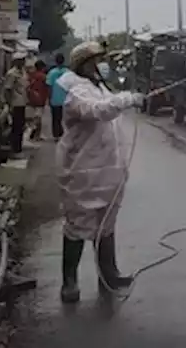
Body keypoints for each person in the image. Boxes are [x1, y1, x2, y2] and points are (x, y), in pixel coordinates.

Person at [56, 41, 144, 303]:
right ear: (83, 65)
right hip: (84, 171)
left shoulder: (99, 88)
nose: (101, 65)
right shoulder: (76, 93)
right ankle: (69, 281)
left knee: (107, 224)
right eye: (96, 61)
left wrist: (127, 97)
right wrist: (127, 99)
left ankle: (110, 272)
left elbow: (109, 105)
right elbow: (98, 111)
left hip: (109, 170)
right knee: (78, 226)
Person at [3, 53, 29, 153]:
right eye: (21, 60)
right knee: (16, 126)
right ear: (16, 61)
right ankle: (15, 147)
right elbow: (7, 90)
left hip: (22, 102)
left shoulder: (23, 72)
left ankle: (19, 146)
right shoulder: (11, 73)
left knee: (21, 125)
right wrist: (9, 104)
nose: (23, 61)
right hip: (15, 103)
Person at [46, 53, 69, 140]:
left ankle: (57, 135)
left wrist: (49, 98)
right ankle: (66, 134)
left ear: (55, 61)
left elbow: (49, 86)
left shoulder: (52, 73)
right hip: (67, 100)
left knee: (56, 118)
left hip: (55, 100)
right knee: (67, 119)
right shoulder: (68, 72)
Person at [26, 60, 49, 140]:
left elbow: (27, 86)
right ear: (42, 67)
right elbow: (47, 88)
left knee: (34, 117)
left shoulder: (31, 76)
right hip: (40, 100)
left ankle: (35, 134)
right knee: (38, 118)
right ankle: (35, 135)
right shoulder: (43, 76)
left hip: (31, 99)